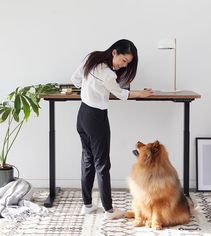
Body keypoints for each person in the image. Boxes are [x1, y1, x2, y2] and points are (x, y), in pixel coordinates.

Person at [71, 39, 153, 220]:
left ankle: (87, 205)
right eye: (124, 60)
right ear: (114, 52)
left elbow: (75, 79)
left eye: (128, 63)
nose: (124, 65)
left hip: (82, 115)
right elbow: (121, 93)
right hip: (96, 118)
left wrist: (90, 88)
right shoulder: (108, 74)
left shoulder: (91, 58)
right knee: (102, 164)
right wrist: (140, 93)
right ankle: (108, 210)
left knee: (87, 160)